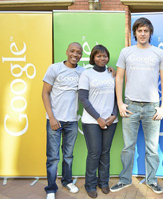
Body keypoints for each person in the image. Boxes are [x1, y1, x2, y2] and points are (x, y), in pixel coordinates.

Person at [110, 17, 163, 194]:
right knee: (128, 146)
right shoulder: (126, 52)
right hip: (130, 105)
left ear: (150, 33)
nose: (142, 34)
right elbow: (119, 78)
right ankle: (125, 180)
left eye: (146, 31)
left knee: (152, 148)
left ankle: (151, 181)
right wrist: (120, 103)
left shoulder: (159, 53)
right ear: (135, 33)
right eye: (139, 30)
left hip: (152, 106)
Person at [42, 42, 84, 199]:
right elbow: (45, 93)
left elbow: (95, 77)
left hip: (72, 121)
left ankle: (67, 181)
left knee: (68, 155)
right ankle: (51, 188)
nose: (75, 54)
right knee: (53, 157)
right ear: (67, 51)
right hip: (55, 120)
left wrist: (110, 71)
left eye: (78, 52)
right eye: (72, 51)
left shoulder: (82, 71)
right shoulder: (54, 68)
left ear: (81, 55)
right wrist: (51, 117)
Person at [78, 45, 118, 198]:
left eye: (105, 56)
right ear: (93, 57)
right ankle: (90, 185)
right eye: (99, 56)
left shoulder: (111, 74)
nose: (102, 59)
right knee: (94, 153)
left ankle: (103, 183)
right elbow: (83, 98)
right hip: (92, 121)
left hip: (110, 120)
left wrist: (114, 114)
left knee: (105, 153)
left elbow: (116, 96)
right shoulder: (87, 74)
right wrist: (98, 118)